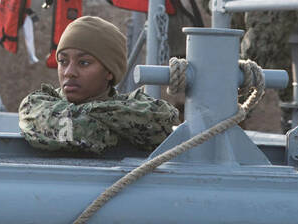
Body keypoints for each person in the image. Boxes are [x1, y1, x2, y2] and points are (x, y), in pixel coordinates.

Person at [19, 16, 180, 154]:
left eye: (84, 63)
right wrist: (118, 127)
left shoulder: (144, 107)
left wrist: (86, 121)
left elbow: (162, 122)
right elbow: (72, 129)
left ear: (109, 71)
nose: (69, 72)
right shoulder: (36, 105)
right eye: (63, 61)